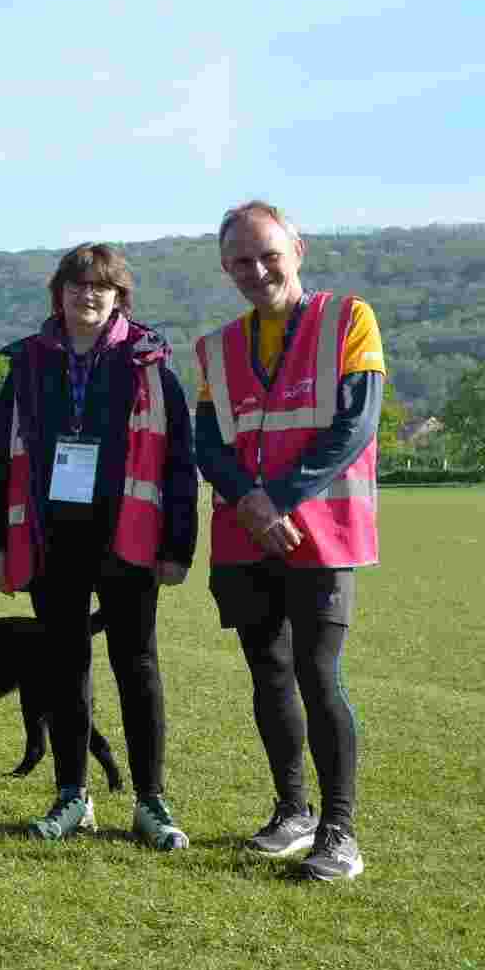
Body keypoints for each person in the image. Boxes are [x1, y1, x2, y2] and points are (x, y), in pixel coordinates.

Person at [0, 244, 198, 847]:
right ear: (60, 294)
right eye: (77, 285)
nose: (89, 295)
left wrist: (178, 545)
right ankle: (72, 795)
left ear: (119, 297)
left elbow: (181, 459)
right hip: (51, 537)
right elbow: (0, 461)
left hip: (128, 534)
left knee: (138, 665)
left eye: (102, 286)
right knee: (63, 667)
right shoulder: (28, 364)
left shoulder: (149, 364)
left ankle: (151, 802)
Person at [195, 201, 384, 882]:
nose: (257, 270)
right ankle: (293, 811)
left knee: (317, 670)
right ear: (226, 268)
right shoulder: (215, 348)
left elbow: (355, 427)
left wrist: (273, 498)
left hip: (323, 535)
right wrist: (251, 503)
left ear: (296, 249)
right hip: (247, 539)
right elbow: (207, 444)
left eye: (268, 254)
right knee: (268, 672)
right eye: (241, 261)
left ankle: (339, 832)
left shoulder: (349, 320)